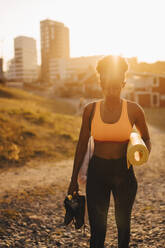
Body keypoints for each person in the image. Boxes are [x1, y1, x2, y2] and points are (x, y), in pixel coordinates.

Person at [67, 55, 151, 248]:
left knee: (123, 227)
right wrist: (73, 180)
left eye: (116, 86)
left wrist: (143, 152)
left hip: (124, 173)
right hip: (97, 173)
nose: (112, 91)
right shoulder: (90, 110)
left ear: (123, 84)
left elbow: (146, 138)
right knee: (98, 230)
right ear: (101, 84)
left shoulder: (134, 110)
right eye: (107, 86)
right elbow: (81, 145)